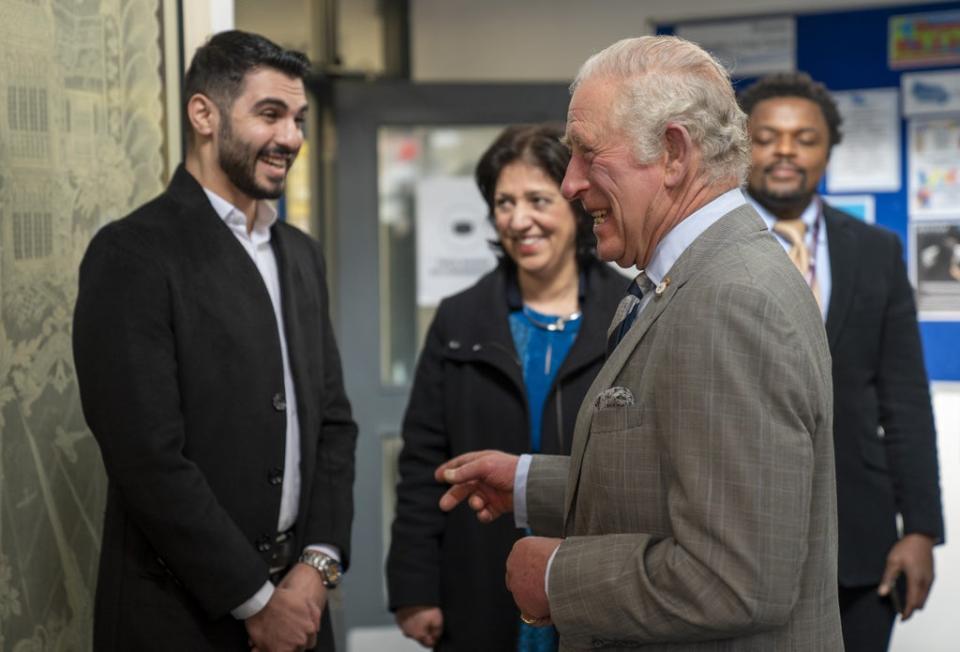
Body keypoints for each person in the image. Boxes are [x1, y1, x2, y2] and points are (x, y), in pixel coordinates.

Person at [437, 36, 843, 650]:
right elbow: (674, 482)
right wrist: (527, 482)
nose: (571, 183)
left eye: (587, 154)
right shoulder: (692, 279)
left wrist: (554, 576)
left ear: (674, 153)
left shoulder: (731, 300)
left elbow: (733, 581)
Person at [72, 30, 357, 651]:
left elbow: (333, 423)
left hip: (304, 606)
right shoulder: (132, 254)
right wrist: (255, 601)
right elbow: (147, 459)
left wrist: (317, 566)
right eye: (270, 114)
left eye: (299, 118)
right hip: (178, 616)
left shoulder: (301, 256)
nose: (291, 138)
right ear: (204, 114)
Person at [386, 124, 627, 651]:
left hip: (595, 583)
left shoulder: (628, 315)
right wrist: (414, 587)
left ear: (573, 201)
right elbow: (424, 461)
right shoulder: (460, 319)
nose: (519, 220)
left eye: (537, 199)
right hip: (479, 576)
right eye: (503, 202)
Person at [738, 71, 944, 651]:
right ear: (739, 145)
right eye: (766, 137)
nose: (784, 151)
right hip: (736, 538)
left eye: (804, 138)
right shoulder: (710, 248)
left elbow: (903, 398)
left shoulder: (876, 251)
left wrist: (921, 530)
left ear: (828, 149)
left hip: (858, 543)